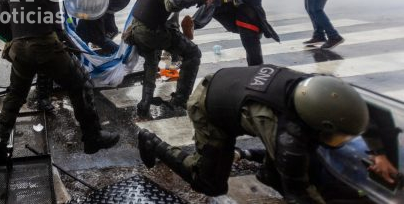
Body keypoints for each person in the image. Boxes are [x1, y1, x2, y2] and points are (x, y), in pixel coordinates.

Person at [138, 65, 370, 203]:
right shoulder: (286, 134)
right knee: (209, 183)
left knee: (293, 159)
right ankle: (152, 142)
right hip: (209, 105)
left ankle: (256, 164)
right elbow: (299, 191)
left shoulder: (315, 89)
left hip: (234, 85)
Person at [0, 0, 120, 161]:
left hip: (19, 49)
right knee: (81, 84)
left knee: (15, 96)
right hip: (44, 46)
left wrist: (18, 40)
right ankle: (93, 137)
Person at [127, 0, 209, 118]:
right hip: (151, 33)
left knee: (151, 63)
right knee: (193, 54)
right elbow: (171, 3)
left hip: (137, 30)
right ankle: (180, 100)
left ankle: (145, 103)